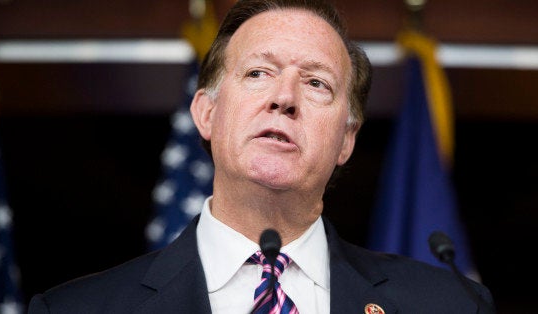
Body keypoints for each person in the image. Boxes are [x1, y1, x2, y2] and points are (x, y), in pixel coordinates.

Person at [28, 0, 494, 313]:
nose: (284, 98)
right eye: (258, 72)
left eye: (316, 83)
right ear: (206, 112)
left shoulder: (449, 304)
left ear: (347, 139)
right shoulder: (77, 309)